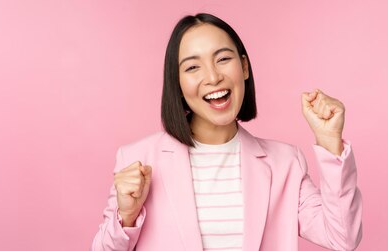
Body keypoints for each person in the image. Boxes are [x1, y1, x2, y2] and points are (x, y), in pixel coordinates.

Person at [91, 13, 362, 251]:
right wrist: (126, 217)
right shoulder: (138, 159)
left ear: (244, 67)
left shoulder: (285, 163)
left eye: (222, 59)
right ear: (177, 82)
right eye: (193, 67)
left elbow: (343, 238)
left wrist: (329, 142)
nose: (213, 77)